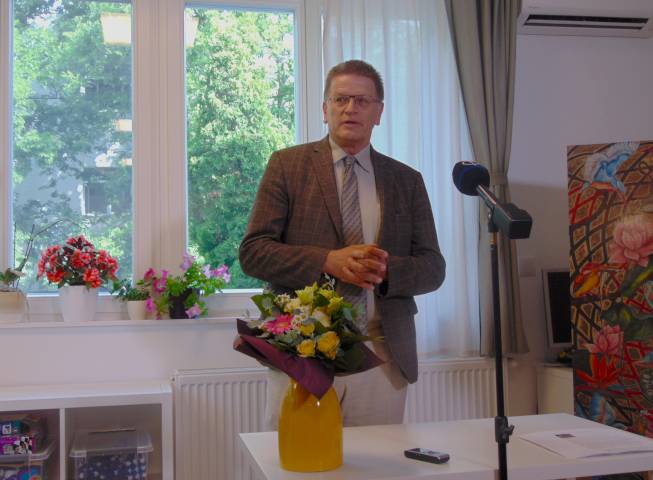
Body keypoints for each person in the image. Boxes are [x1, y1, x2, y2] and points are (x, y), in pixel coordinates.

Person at [239, 59, 445, 428]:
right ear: (325, 109)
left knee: (376, 459)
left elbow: (433, 268)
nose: (351, 108)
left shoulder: (407, 180)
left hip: (382, 356)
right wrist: (326, 261)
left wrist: (385, 270)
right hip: (302, 352)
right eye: (341, 99)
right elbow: (253, 253)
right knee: (299, 458)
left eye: (362, 101)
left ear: (378, 113)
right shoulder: (287, 165)